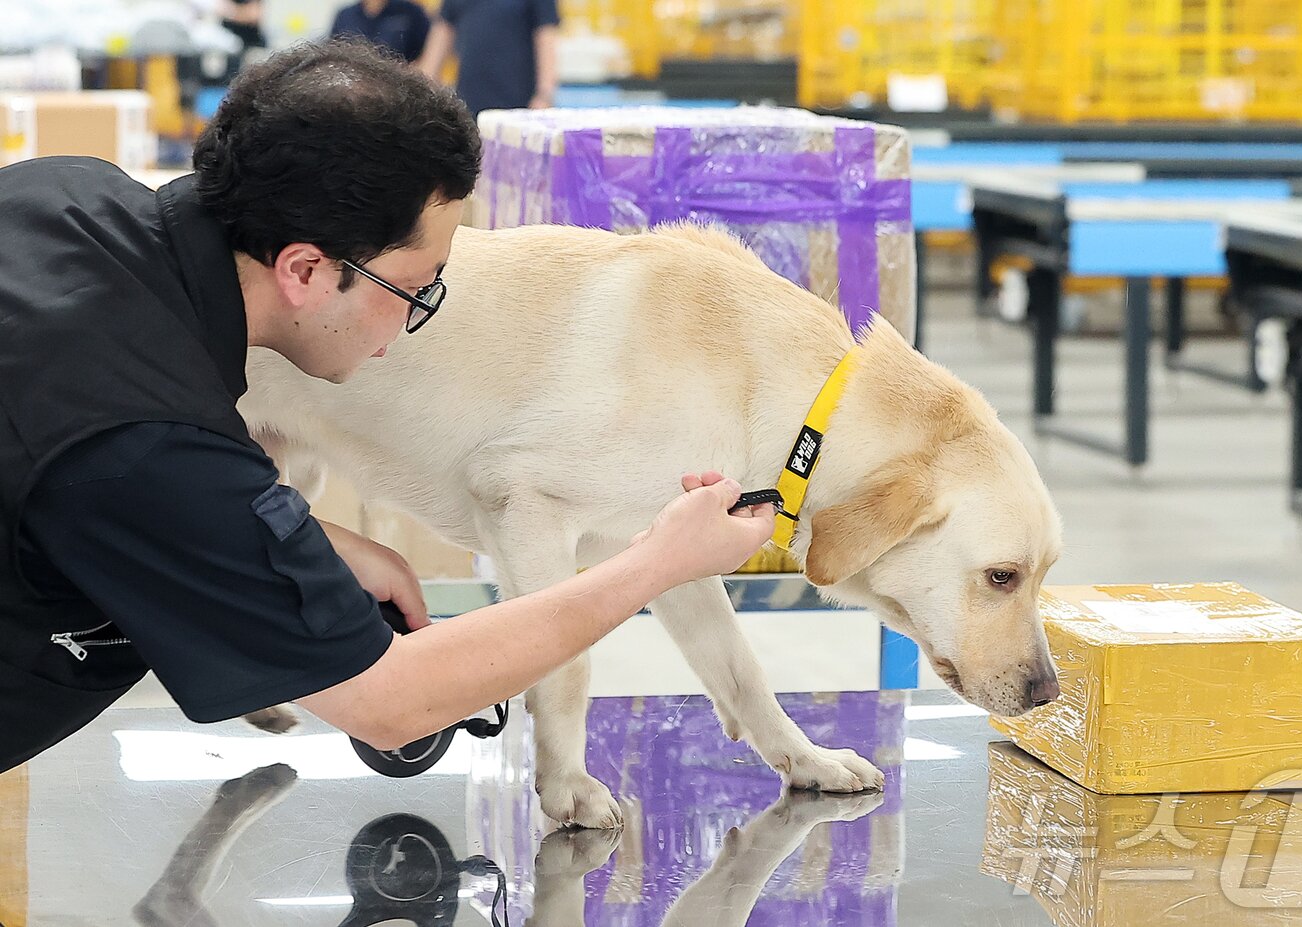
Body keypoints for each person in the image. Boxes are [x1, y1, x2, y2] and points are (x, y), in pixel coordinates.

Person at [0, 39, 774, 772]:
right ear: (305, 269)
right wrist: (659, 561)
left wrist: (309, 538)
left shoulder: (63, 191)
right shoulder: (151, 444)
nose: (411, 321)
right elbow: (395, 700)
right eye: (414, 288)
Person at [418, 0, 559, 113]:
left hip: (518, 104)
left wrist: (544, 95)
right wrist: (421, 92)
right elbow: (440, 39)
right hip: (468, 102)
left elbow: (546, 38)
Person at [330, 0, 432, 64]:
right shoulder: (345, 16)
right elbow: (334, 54)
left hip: (400, 86)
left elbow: (430, 51)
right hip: (354, 86)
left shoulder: (411, 13)